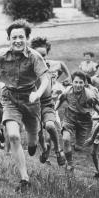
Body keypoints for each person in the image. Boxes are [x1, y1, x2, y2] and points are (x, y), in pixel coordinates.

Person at [0, 19, 50, 192]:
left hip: (31, 100)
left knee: (32, 141)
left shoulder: (35, 56)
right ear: (9, 39)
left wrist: (38, 93)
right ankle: (24, 178)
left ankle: (37, 142)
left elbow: (45, 78)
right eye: (14, 37)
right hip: (10, 98)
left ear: (27, 38)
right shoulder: (2, 55)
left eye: (21, 37)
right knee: (13, 136)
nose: (17, 40)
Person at [30, 37, 68, 166]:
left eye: (44, 55)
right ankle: (45, 150)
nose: (42, 58)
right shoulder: (29, 67)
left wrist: (60, 81)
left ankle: (58, 149)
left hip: (47, 103)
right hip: (32, 106)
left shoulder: (50, 66)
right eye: (38, 55)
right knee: (39, 132)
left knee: (50, 126)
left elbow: (61, 66)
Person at [55, 71, 99, 171]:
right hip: (70, 117)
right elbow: (61, 99)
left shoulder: (89, 95)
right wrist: (54, 109)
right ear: (72, 82)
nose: (78, 85)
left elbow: (95, 106)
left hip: (84, 120)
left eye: (81, 82)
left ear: (84, 83)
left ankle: (70, 148)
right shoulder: (67, 90)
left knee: (78, 148)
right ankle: (70, 163)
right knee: (66, 139)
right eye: (76, 82)